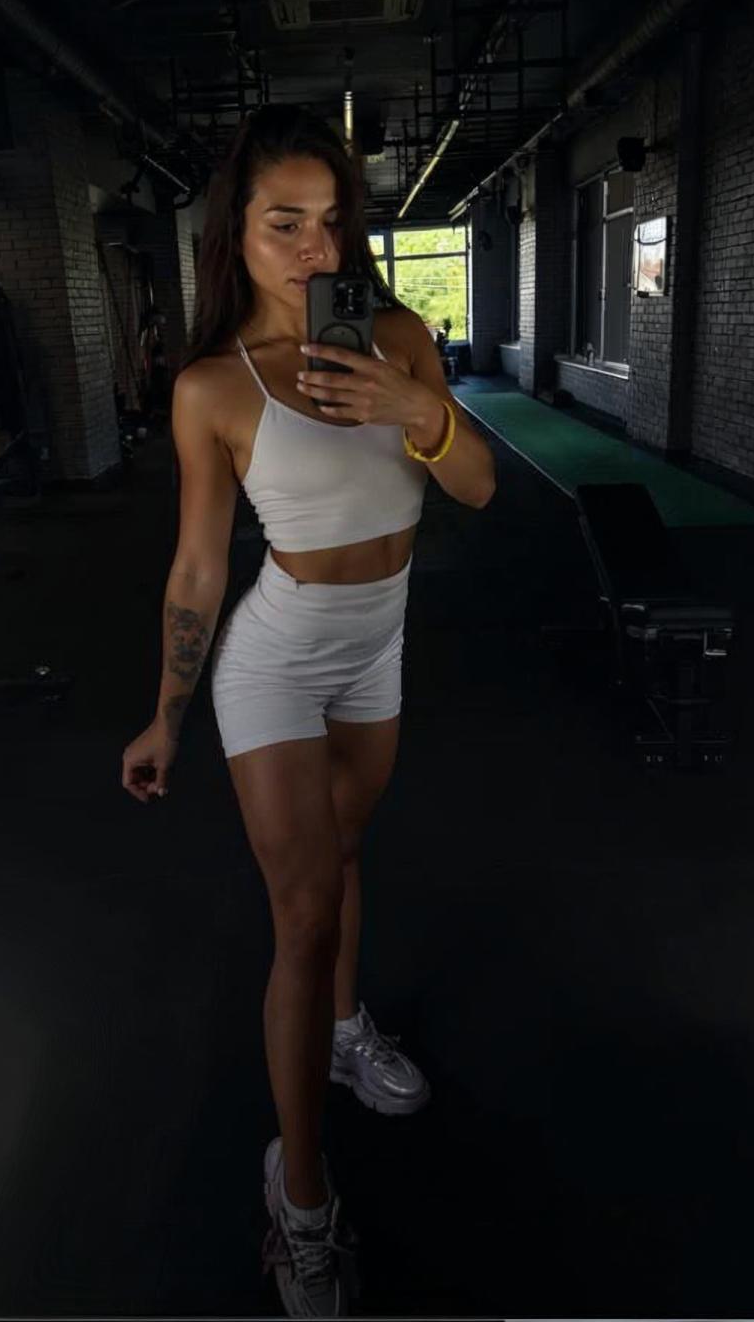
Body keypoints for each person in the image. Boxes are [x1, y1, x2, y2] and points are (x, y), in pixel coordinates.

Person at [120, 104, 496, 1317]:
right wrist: (168, 715)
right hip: (276, 660)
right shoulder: (212, 388)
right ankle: (302, 1199)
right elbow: (198, 569)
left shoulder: (398, 337)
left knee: (341, 858)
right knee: (303, 910)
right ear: (235, 231)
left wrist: (415, 411)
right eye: (285, 223)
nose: (316, 248)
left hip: (378, 649)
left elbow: (479, 486)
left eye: (332, 222)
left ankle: (341, 1033)